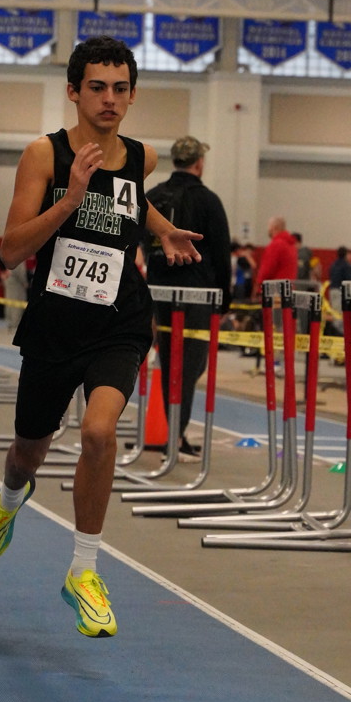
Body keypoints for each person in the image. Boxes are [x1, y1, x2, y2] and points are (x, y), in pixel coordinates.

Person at [0, 36, 201, 638]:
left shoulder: (142, 157)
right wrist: (70, 198)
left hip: (119, 319)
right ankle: (10, 498)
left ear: (132, 95)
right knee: (28, 451)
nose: (109, 99)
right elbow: (12, 249)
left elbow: (128, 201)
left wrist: (162, 228)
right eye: (97, 87)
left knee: (100, 433)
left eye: (120, 89)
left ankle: (84, 570)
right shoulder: (42, 156)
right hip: (55, 323)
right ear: (74, 92)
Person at [145, 136, 232, 460]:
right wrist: (225, 299)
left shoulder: (153, 196)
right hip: (197, 294)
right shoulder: (208, 201)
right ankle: (175, 435)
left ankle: (175, 432)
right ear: (199, 163)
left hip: (159, 291)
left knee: (170, 360)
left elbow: (138, 240)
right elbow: (222, 252)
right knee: (191, 364)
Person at [253, 215, 298, 292]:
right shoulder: (291, 245)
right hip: (287, 289)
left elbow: (266, 270)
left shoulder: (276, 245)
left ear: (274, 227)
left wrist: (258, 286)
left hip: (273, 290)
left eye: (269, 226)